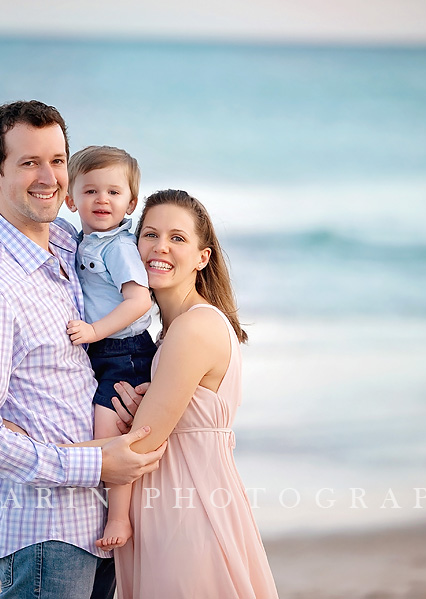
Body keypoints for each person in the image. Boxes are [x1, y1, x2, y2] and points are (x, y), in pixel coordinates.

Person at [0, 100, 166, 599]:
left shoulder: (69, 242)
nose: (50, 178)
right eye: (29, 163)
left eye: (58, 161)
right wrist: (96, 463)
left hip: (100, 523)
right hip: (46, 532)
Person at [111, 189, 280, 598]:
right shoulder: (168, 334)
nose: (160, 247)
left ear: (202, 258)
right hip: (176, 504)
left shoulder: (194, 328)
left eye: (178, 238)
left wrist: (39, 448)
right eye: (149, 235)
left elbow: (142, 445)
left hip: (187, 512)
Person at [63, 145, 156, 551]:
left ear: (131, 202)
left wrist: (94, 330)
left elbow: (140, 301)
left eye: (114, 193)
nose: (102, 200)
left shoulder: (118, 247)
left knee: (109, 430)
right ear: (69, 199)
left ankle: (119, 516)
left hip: (125, 349)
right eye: (90, 191)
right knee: (100, 426)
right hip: (103, 349)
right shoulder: (81, 240)